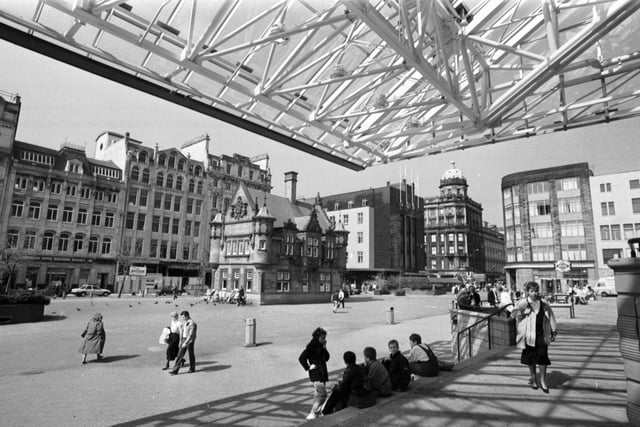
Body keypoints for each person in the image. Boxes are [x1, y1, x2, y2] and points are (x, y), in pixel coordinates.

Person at [512, 281, 557, 393]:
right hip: (529, 335)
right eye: (532, 291)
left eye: (536, 291)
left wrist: (554, 331)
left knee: (543, 357)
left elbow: (550, 317)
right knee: (530, 358)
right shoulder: (523, 303)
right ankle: (533, 379)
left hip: (542, 334)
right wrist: (522, 313)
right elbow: (513, 314)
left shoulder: (544, 303)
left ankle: (543, 380)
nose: (534, 293)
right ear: (527, 292)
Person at [322, 351, 375, 415]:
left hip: (359, 398)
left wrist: (335, 387)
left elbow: (343, 388)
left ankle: (326, 412)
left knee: (336, 393)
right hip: (368, 395)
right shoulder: (361, 368)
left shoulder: (349, 371)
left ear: (345, 361)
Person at [298, 327, 330, 420]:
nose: (324, 340)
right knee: (322, 393)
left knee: (318, 394)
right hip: (316, 373)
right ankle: (314, 412)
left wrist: (324, 348)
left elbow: (327, 358)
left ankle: (315, 413)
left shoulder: (321, 346)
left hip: (322, 372)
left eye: (324, 338)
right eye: (322, 338)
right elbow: (301, 358)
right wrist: (308, 367)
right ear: (317, 337)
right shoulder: (311, 347)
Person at [169, 311, 197, 375]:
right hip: (184, 339)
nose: (182, 318)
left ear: (187, 316)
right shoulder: (185, 322)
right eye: (182, 317)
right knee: (180, 354)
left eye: (183, 317)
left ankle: (192, 368)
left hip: (189, 340)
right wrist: (181, 340)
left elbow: (191, 334)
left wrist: (186, 342)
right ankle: (175, 370)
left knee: (191, 354)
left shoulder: (192, 323)